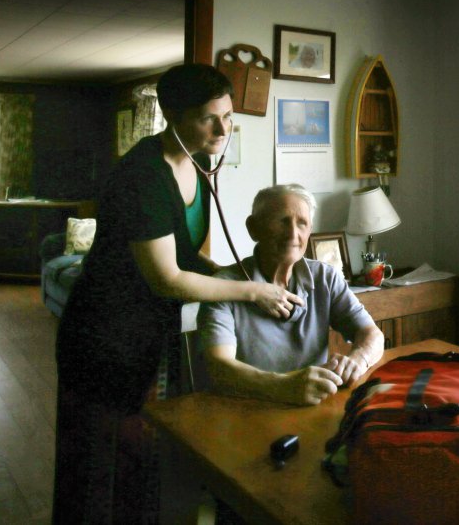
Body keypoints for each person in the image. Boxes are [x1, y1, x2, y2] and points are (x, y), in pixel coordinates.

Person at [53, 64, 302, 523]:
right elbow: (166, 278)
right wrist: (251, 293)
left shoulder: (202, 161)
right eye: (210, 118)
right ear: (171, 114)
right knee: (103, 461)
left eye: (228, 116)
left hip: (150, 331)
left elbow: (184, 254)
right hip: (105, 338)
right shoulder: (142, 177)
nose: (223, 129)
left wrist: (235, 276)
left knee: (145, 458)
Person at [198, 184, 384, 405]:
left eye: (302, 223)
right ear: (253, 228)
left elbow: (372, 334)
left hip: (312, 407)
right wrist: (283, 386)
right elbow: (219, 369)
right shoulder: (223, 286)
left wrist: (358, 360)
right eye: (282, 221)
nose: (293, 234)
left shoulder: (325, 277)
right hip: (246, 409)